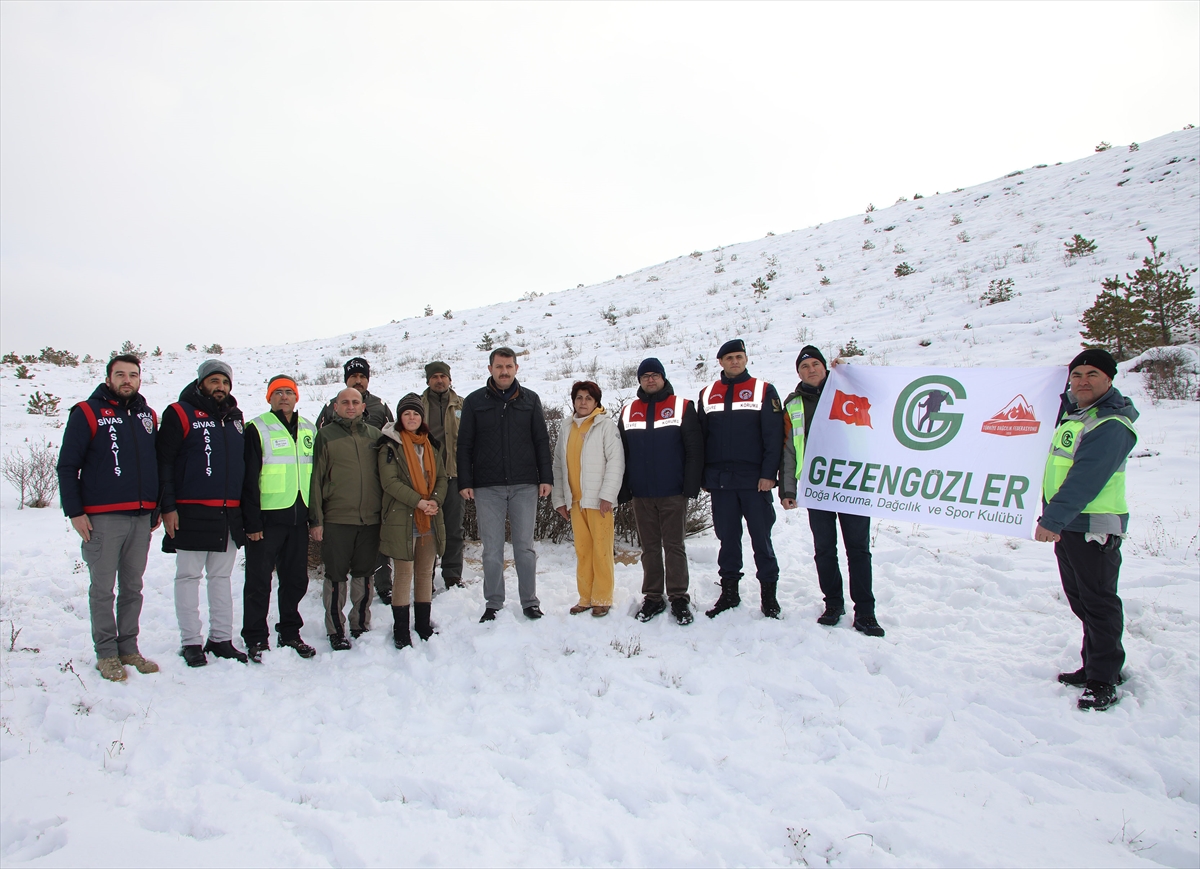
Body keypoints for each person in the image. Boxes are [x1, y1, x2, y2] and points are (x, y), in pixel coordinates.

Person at [1035, 349, 1138, 712]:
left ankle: (1104, 679)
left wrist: (1052, 520)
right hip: (1071, 526)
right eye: (1077, 374)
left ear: (1109, 379)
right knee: (1081, 599)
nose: (1082, 381)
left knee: (1098, 602)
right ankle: (1095, 664)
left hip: (1093, 527)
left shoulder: (1110, 425)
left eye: (1092, 374)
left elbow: (1085, 479)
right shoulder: (1076, 416)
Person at [57, 354, 161, 682]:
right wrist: (75, 511)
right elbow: (66, 466)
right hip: (103, 519)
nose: (126, 380)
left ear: (140, 380)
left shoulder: (147, 415)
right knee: (103, 588)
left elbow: (155, 462)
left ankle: (128, 647)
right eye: (120, 374)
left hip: (140, 517)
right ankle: (106, 653)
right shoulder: (87, 413)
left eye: (133, 374)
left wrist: (155, 506)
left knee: (133, 586)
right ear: (108, 378)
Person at [780, 346, 884, 637]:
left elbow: (882, 395)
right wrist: (789, 489)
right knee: (824, 550)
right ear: (798, 373)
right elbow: (788, 449)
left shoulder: (848, 390)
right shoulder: (793, 405)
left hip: (853, 484)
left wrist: (850, 369)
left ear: (825, 367)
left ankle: (865, 611)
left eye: (815, 364)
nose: (810, 370)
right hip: (817, 488)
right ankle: (833, 604)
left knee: (858, 550)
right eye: (804, 367)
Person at [157, 359, 249, 666]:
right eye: (214, 381)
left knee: (221, 578)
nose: (220, 386)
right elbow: (165, 463)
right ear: (201, 383)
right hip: (191, 512)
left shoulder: (236, 418)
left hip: (228, 514)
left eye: (224, 382)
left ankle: (221, 638)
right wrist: (167, 506)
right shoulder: (180, 413)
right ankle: (191, 642)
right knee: (188, 577)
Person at [457, 347, 553, 622]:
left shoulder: (530, 400)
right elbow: (464, 444)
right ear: (490, 369)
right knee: (492, 549)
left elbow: (541, 441)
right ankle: (494, 602)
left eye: (509, 366)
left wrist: (545, 477)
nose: (504, 371)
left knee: (524, 546)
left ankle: (529, 602)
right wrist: (466, 479)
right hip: (488, 486)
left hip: (525, 484)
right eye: (499, 366)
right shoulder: (475, 402)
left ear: (516, 368)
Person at [697, 339, 785, 619]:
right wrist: (703, 476)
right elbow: (701, 440)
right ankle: (730, 592)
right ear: (720, 362)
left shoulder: (763, 390)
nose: (734, 361)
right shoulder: (708, 393)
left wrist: (769, 474)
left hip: (754, 481)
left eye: (739, 356)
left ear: (746, 359)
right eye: (729, 358)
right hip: (721, 481)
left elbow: (774, 437)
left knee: (761, 538)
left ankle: (768, 595)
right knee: (727, 539)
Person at [618, 358, 703, 625]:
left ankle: (678, 597)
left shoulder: (682, 406)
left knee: (674, 546)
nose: (650, 380)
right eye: (645, 376)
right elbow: (621, 454)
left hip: (672, 491)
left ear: (664, 378)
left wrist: (690, 485)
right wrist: (624, 488)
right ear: (639, 381)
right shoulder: (628, 410)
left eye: (655, 375)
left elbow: (694, 449)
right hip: (642, 493)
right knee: (650, 547)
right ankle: (653, 596)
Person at [240, 375, 318, 663]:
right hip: (267, 519)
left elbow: (316, 476)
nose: (284, 397)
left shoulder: (309, 429)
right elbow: (248, 480)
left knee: (295, 579)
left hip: (299, 517)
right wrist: (252, 523)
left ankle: (289, 631)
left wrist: (315, 517)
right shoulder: (256, 429)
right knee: (259, 580)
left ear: (297, 397)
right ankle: (256, 637)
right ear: (269, 398)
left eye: (289, 392)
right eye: (278, 393)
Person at [310, 387, 384, 650]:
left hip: (370, 520)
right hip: (337, 519)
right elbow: (315, 480)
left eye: (355, 402)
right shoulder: (325, 436)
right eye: (345, 402)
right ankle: (335, 628)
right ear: (335, 406)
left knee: (364, 574)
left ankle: (360, 623)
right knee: (336, 575)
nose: (350, 406)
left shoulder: (375, 436)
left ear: (364, 406)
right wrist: (316, 520)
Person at [316, 356, 394, 605]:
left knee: (376, 550)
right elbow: (320, 449)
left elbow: (393, 439)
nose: (358, 380)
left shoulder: (380, 407)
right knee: (341, 559)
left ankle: (384, 585)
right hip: (341, 499)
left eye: (362, 377)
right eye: (353, 377)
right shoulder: (332, 407)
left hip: (372, 494)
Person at [379, 393, 448, 648]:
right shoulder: (390, 445)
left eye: (416, 413)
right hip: (402, 518)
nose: (411, 417)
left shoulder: (430, 444)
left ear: (422, 418)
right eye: (406, 413)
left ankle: (422, 625)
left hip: (428, 517)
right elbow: (390, 482)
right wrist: (419, 501)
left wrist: (435, 501)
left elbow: (441, 477)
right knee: (403, 574)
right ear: (400, 417)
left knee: (424, 573)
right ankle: (400, 630)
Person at [552, 381, 625, 617]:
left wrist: (607, 496)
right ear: (573, 401)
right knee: (583, 551)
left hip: (598, 502)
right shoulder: (566, 427)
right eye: (579, 397)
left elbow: (616, 462)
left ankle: (602, 598)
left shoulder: (605, 426)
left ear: (596, 402)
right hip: (576, 503)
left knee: (601, 550)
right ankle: (585, 597)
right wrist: (560, 499)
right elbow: (558, 465)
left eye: (588, 398)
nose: (583, 402)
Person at [420, 361, 465, 589]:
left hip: (454, 475)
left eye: (443, 376)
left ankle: (452, 576)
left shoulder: (462, 405)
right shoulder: (418, 405)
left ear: (450, 378)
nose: (439, 380)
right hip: (425, 479)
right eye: (435, 376)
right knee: (425, 529)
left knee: (453, 528)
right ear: (428, 380)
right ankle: (425, 576)